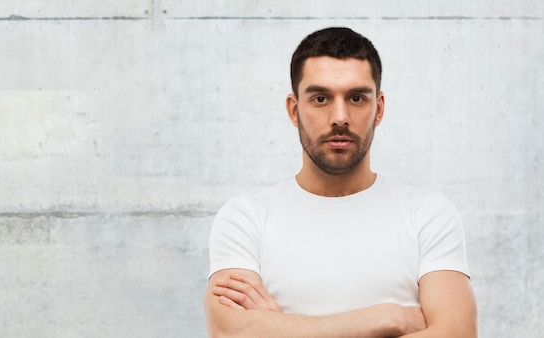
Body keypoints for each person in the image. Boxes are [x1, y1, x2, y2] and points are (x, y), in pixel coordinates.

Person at [204, 27, 477, 337]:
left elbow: (457, 333)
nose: (339, 117)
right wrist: (384, 319)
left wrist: (283, 329)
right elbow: (229, 333)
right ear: (294, 110)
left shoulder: (428, 213)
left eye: (357, 98)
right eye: (320, 98)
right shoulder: (246, 218)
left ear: (379, 109)